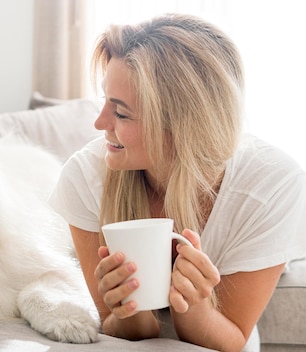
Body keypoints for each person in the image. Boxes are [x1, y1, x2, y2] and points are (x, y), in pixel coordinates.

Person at [48, 13, 306, 352]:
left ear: (182, 126)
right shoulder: (84, 177)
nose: (99, 123)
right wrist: (127, 308)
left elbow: (232, 340)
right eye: (104, 102)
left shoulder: (271, 184)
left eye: (121, 113)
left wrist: (194, 306)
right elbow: (118, 329)